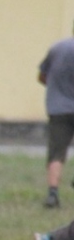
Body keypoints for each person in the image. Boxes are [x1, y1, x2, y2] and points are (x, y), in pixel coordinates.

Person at [38, 26, 74, 208]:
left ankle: (53, 193)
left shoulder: (57, 48)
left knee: (56, 154)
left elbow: (42, 76)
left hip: (58, 109)